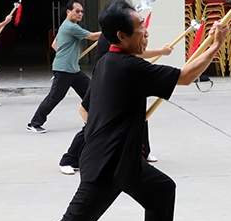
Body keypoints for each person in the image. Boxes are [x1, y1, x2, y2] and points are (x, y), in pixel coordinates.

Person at [1, 0, 226, 221]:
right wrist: (216, 45)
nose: (146, 32)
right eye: (140, 28)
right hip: (106, 165)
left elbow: (85, 111)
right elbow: (186, 76)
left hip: (124, 158)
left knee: (162, 190)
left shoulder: (107, 62)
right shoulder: (128, 67)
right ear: (121, 35)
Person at [58, 32, 172, 174]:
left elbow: (136, 53)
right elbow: (138, 53)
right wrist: (161, 51)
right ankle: (69, 159)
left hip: (124, 78)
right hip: (105, 80)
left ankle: (143, 152)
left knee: (139, 115)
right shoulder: (112, 35)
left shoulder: (125, 35)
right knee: (95, 121)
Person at [26, 0, 100, 133]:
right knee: (55, 97)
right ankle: (34, 123)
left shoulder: (65, 26)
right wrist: (110, 31)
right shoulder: (71, 27)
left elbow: (55, 45)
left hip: (73, 69)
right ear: (68, 12)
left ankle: (95, 121)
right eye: (77, 11)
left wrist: (67, 54)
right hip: (65, 69)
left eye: (82, 12)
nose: (80, 14)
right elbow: (93, 36)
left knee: (90, 92)